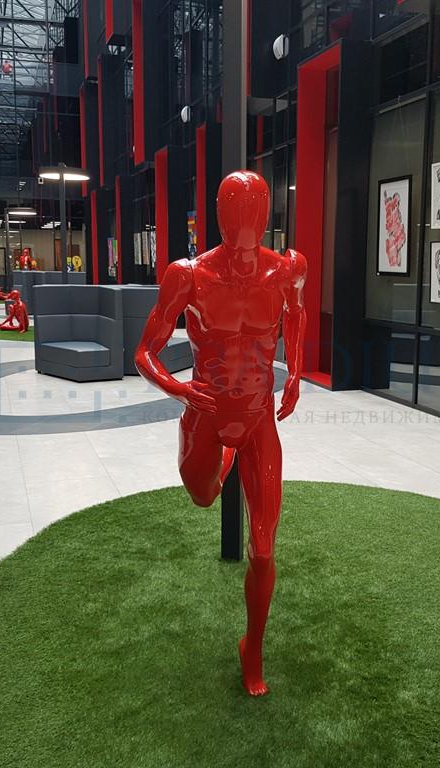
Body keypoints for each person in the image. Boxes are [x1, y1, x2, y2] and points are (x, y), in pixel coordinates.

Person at [135, 170, 306, 696]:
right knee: (203, 495)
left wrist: (295, 372)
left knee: (264, 546)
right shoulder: (188, 276)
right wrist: (179, 389)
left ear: (267, 213)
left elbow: (297, 316)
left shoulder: (288, 269)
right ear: (220, 215)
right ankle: (222, 465)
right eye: (236, 210)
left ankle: (252, 649)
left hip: (256, 418)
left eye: (253, 209)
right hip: (206, 414)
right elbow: (144, 352)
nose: (245, 221)